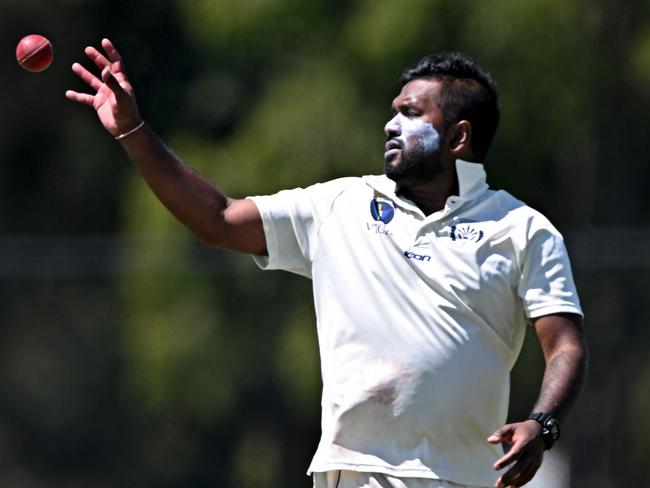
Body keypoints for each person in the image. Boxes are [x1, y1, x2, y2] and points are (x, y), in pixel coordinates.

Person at [66, 39, 588, 488]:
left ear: (458, 138)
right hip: (355, 470)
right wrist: (133, 133)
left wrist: (542, 426)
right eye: (393, 110)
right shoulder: (341, 203)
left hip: (466, 475)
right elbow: (219, 218)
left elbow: (564, 345)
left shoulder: (522, 228)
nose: (390, 124)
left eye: (411, 114)